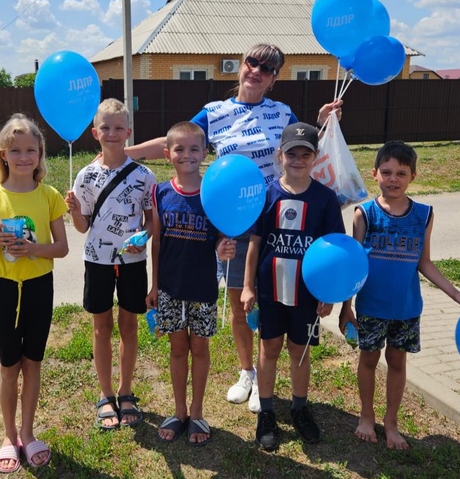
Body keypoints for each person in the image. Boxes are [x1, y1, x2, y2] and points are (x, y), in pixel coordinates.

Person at [125, 43, 342, 412]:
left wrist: (321, 122)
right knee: (239, 302)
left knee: (268, 299)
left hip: (274, 222)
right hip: (229, 221)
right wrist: (124, 154)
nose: (257, 70)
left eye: (268, 68)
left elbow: (300, 147)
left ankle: (265, 374)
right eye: (252, 62)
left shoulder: (282, 112)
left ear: (274, 79)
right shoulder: (215, 112)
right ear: (241, 66)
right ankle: (249, 374)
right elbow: (176, 141)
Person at [339, 140, 460, 450]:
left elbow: (424, 262)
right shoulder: (363, 214)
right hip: (370, 307)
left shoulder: (424, 214)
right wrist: (346, 307)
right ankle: (366, 416)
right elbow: (354, 266)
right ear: (375, 174)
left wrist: (457, 295)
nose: (393, 179)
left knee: (397, 362)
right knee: (368, 361)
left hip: (406, 309)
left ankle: (391, 423)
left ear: (413, 177)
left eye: (401, 173)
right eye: (387, 172)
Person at [0, 113, 69, 473]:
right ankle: (8, 435)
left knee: (33, 362)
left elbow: (61, 248)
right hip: (6, 289)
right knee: (9, 366)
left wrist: (34, 249)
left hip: (40, 287)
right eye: (16, 151)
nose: (24, 157)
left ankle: (28, 434)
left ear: (41, 153)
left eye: (31, 150)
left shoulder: (50, 196)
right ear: (3, 155)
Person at [241, 122, 345, 451]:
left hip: (307, 293)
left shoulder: (326, 199)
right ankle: (268, 412)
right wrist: (247, 286)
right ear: (280, 155)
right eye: (291, 154)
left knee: (299, 353)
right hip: (271, 290)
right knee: (269, 349)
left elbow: (334, 251)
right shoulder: (267, 193)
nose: (298, 160)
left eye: (305, 154)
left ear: (315, 157)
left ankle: (300, 408)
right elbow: (255, 245)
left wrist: (329, 295)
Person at [66, 98, 156, 431]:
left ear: (129, 132)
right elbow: (82, 226)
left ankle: (126, 391)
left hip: (133, 262)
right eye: (106, 127)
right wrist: (75, 211)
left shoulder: (145, 176)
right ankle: (105, 395)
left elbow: (152, 222)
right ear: (95, 133)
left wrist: (143, 237)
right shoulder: (86, 176)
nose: (112, 133)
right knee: (101, 328)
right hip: (98, 262)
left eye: (119, 128)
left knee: (129, 328)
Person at [146, 122, 236, 446]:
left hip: (203, 287)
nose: (187, 155)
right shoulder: (160, 192)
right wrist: (154, 285)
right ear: (167, 153)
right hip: (170, 287)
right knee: (177, 348)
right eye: (179, 149)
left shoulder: (213, 192)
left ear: (205, 152)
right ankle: (179, 410)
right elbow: (156, 243)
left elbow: (220, 237)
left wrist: (223, 247)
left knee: (199, 348)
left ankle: (197, 411)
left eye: (194, 148)